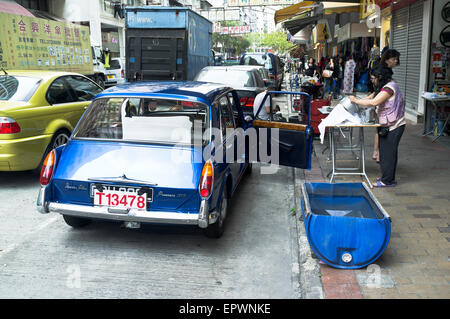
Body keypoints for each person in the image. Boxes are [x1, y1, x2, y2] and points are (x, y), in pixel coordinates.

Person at [349, 64, 406, 187]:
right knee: (387, 152)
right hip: (388, 125)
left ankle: (387, 181)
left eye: (373, 78)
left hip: (395, 125)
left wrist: (355, 101)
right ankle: (388, 178)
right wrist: (358, 99)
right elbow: (370, 97)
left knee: (388, 153)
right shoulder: (383, 87)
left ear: (380, 77)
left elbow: (374, 102)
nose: (372, 81)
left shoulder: (389, 88)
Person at [371, 49, 401, 162]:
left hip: (383, 105)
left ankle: (377, 153)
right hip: (383, 106)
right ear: (387, 60)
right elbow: (379, 92)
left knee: (380, 129)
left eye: (396, 59)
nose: (396, 61)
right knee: (381, 130)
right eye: (394, 59)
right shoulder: (383, 71)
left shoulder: (385, 70)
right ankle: (378, 153)